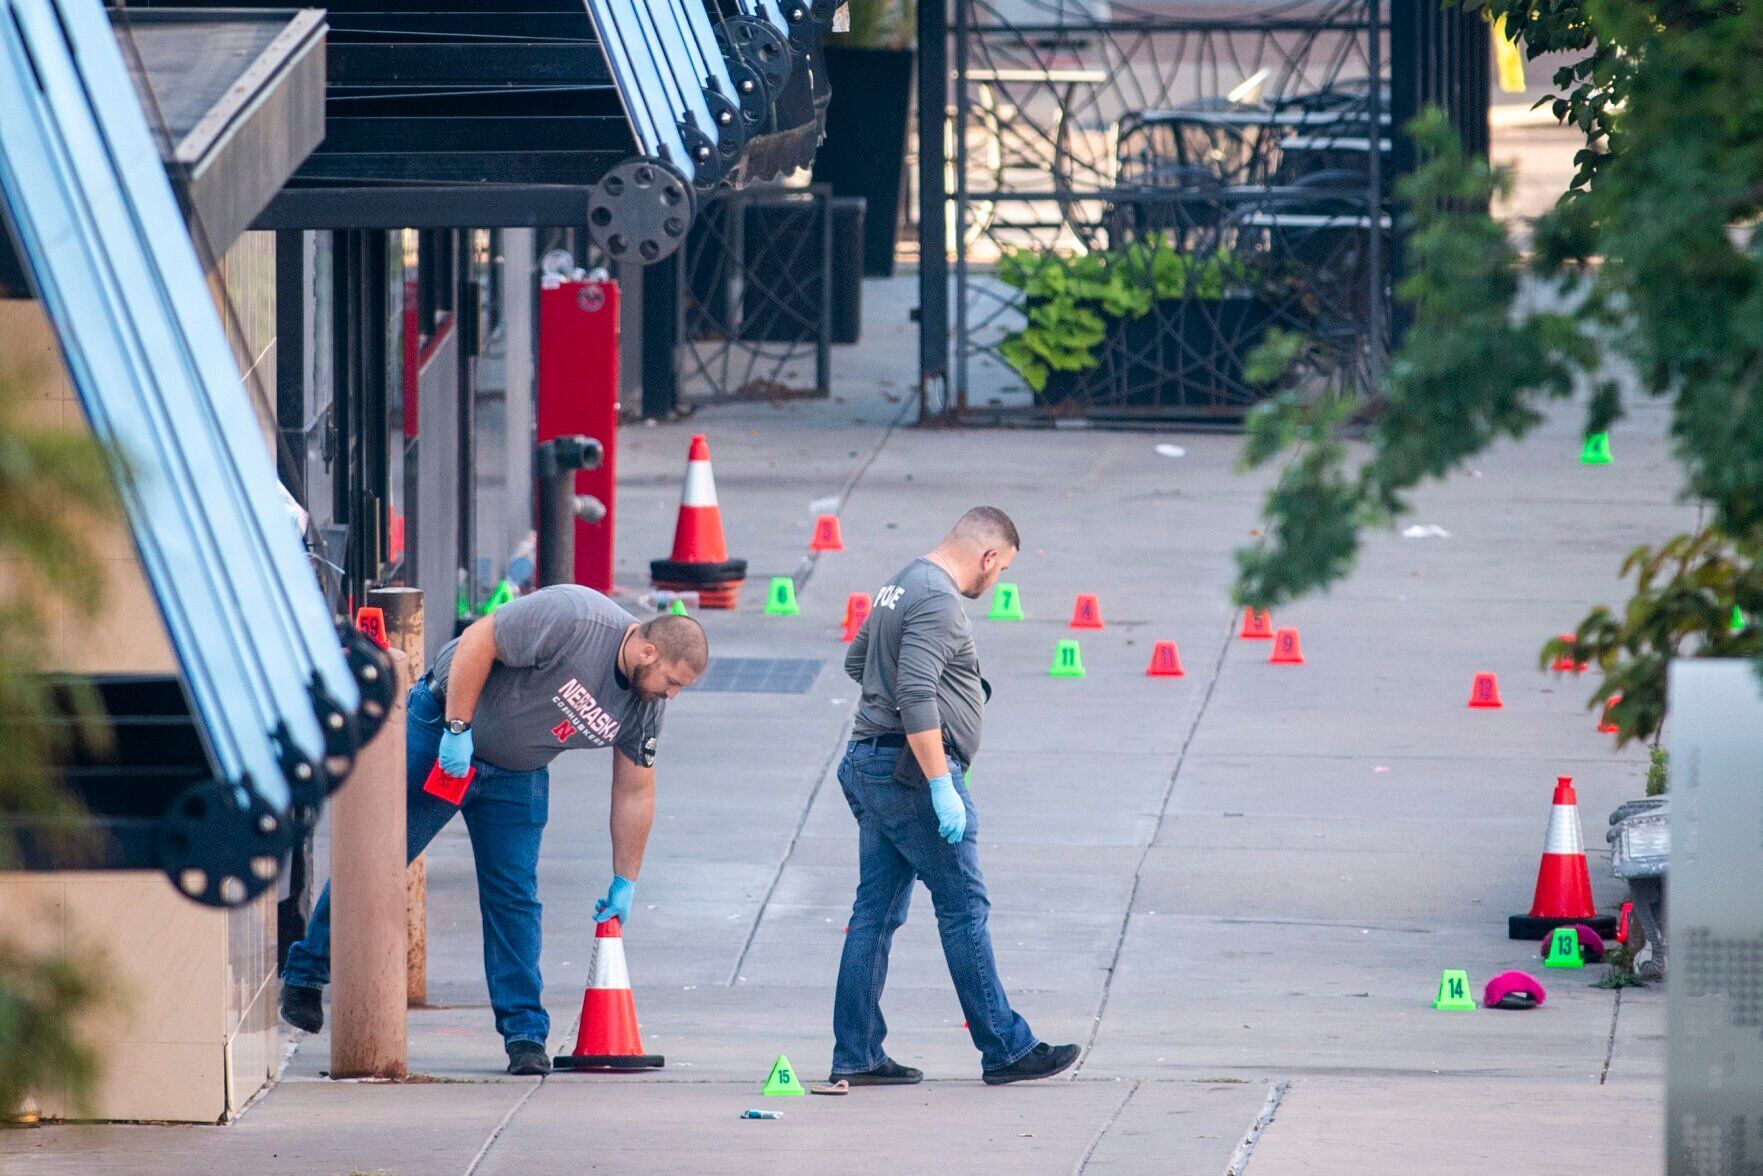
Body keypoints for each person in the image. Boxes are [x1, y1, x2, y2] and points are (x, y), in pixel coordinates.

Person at [280, 585, 707, 1076]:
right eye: (672, 681)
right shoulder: (575, 617)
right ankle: (307, 971)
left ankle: (525, 1035)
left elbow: (635, 791)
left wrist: (625, 879)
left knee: (514, 897)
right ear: (647, 650)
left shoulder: (644, 706)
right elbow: (480, 640)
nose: (671, 695)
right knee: (380, 856)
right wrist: (458, 729)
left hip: (517, 774)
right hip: (444, 731)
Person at [831, 506, 1080, 1086]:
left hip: (874, 763)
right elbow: (916, 694)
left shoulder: (901, 581)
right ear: (989, 556)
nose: (995, 584)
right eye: (1002, 571)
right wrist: (942, 784)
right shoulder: (940, 600)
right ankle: (1006, 1048)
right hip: (911, 774)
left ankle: (859, 1053)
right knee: (963, 907)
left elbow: (855, 661)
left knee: (875, 912)